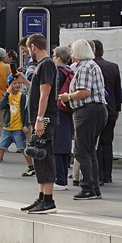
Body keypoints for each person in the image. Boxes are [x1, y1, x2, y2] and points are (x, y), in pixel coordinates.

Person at [60, 39, 108, 200]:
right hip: (96, 110)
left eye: (73, 51)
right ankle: (93, 187)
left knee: (81, 151)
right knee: (90, 151)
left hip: (87, 110)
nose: (71, 55)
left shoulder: (86, 67)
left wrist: (68, 97)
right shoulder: (92, 66)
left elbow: (84, 92)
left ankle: (87, 187)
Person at [21, 34, 60, 214]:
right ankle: (42, 196)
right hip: (40, 116)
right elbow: (38, 91)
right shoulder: (42, 66)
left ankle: (49, 200)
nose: (29, 52)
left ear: (34, 47)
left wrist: (39, 119)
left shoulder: (47, 65)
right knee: (38, 154)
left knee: (45, 154)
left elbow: (45, 94)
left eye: (29, 49)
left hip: (44, 117)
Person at [91, 39, 122, 186]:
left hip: (95, 109)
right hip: (110, 109)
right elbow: (117, 90)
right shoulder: (113, 67)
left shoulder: (90, 67)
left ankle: (97, 174)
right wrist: (117, 109)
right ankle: (107, 174)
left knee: (95, 143)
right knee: (107, 142)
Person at [0, 75, 29, 177]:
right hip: (7, 127)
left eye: (18, 83)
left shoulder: (22, 97)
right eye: (14, 83)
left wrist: (25, 125)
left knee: (22, 148)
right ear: (9, 85)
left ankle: (31, 166)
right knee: (1, 148)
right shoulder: (7, 96)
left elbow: (26, 112)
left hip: (18, 127)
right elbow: (2, 105)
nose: (17, 85)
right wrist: (6, 93)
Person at [51, 47, 75, 190]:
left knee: (57, 146)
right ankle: (63, 177)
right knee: (64, 144)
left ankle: (59, 180)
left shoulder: (57, 73)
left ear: (59, 58)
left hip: (57, 110)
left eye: (54, 55)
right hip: (67, 110)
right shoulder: (70, 71)